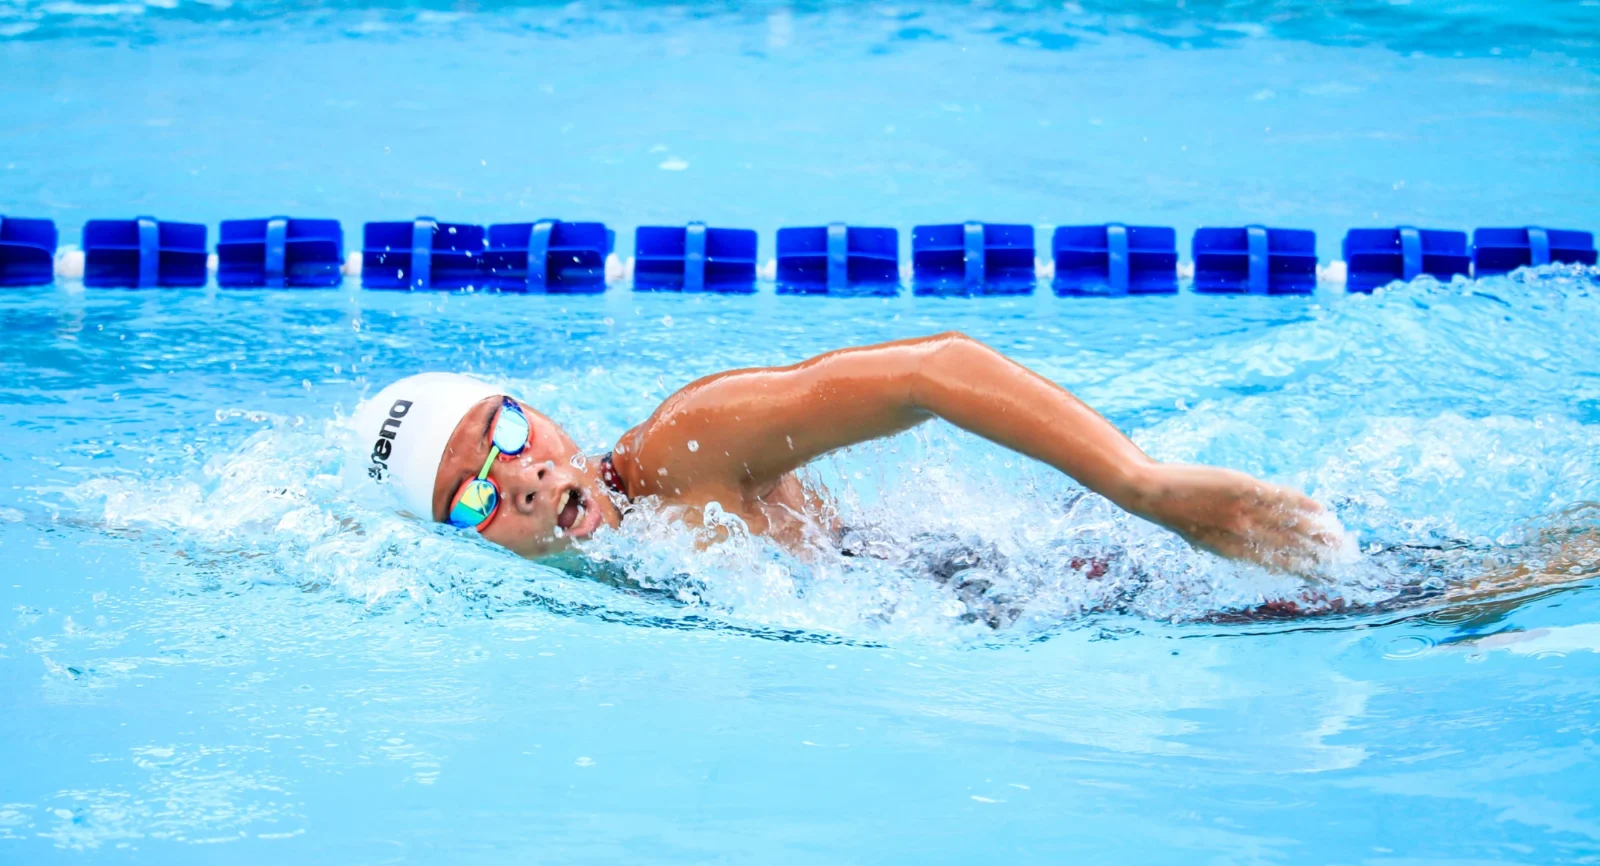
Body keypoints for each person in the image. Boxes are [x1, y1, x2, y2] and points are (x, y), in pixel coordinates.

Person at [352, 332, 1342, 578]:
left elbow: (933, 369)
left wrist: (1146, 488)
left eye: (510, 434)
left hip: (1037, 579)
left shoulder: (683, 447)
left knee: (1397, 590)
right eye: (471, 492)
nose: (518, 476)